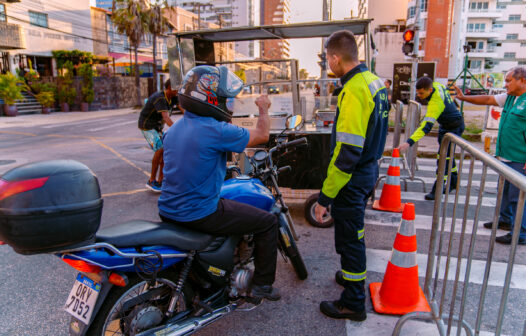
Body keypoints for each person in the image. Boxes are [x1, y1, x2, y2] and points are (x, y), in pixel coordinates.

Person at [158, 65, 281, 300]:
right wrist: (263, 108)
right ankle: (262, 286)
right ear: (211, 99)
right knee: (267, 222)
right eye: (226, 100)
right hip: (199, 213)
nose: (229, 104)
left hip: (168, 210)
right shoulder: (215, 129)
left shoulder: (174, 129)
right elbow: (262, 136)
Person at [314, 30, 389, 321]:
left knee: (350, 239)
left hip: (352, 178)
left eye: (327, 59)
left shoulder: (355, 89)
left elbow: (346, 152)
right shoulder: (373, 82)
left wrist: (325, 197)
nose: (327, 64)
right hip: (368, 171)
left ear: (335, 57)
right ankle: (350, 277)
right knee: (352, 235)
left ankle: (353, 302)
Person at [453, 67, 526, 245]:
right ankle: (505, 220)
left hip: (520, 158)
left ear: (522, 81)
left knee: (519, 197)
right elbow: (488, 99)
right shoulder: (510, 98)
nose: (505, 84)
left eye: (509, 80)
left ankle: (521, 233)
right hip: (506, 154)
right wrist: (464, 98)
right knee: (506, 192)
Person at [398, 77, 465, 200]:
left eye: (421, 93)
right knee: (448, 156)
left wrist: (409, 142)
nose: (419, 96)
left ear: (430, 89)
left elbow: (426, 126)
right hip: (447, 125)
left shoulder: (436, 102)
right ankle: (454, 182)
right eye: (418, 92)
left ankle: (437, 189)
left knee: (442, 158)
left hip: (453, 127)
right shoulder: (437, 85)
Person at [138, 79, 178, 192]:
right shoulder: (160, 98)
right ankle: (151, 180)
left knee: (166, 151)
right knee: (160, 148)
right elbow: (166, 117)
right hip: (147, 126)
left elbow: (184, 109)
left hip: (157, 127)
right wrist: (179, 130)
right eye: (177, 87)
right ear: (170, 87)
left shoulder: (174, 97)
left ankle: (161, 181)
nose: (179, 90)